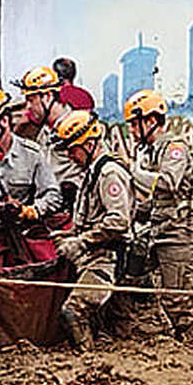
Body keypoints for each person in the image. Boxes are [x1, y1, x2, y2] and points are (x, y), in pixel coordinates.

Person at [124, 89, 193, 338]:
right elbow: (158, 199)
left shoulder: (175, 149)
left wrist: (132, 171)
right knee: (132, 271)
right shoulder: (153, 151)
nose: (131, 131)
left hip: (177, 234)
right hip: (158, 230)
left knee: (176, 298)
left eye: (134, 124)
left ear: (151, 121)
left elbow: (168, 183)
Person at [51, 110, 133, 351]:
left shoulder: (109, 173)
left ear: (89, 143)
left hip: (107, 259)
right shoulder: (93, 171)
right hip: (95, 256)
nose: (69, 155)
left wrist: (82, 241)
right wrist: (69, 236)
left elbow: (119, 221)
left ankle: (88, 359)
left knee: (72, 312)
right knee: (114, 326)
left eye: (73, 149)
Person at [0, 85, 62, 229]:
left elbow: (52, 195)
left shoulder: (32, 154)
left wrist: (30, 211)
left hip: (21, 230)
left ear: (4, 121)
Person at [13, 66, 82, 214]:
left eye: (31, 100)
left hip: (74, 212)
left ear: (48, 96)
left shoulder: (78, 128)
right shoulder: (45, 133)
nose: (28, 107)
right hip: (48, 209)